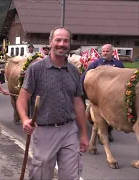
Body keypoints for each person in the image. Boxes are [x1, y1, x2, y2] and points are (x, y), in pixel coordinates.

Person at [16, 27, 89, 180]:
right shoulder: (36, 69)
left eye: (65, 41)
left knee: (71, 175)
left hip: (69, 130)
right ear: (50, 42)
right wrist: (24, 119)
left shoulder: (74, 72)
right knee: (41, 175)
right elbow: (22, 99)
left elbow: (78, 104)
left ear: (69, 44)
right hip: (44, 130)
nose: (62, 44)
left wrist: (83, 133)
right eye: (58, 40)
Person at [81, 44, 124, 142]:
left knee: (111, 116)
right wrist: (81, 89)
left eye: (107, 51)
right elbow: (85, 76)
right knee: (97, 116)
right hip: (98, 95)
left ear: (112, 52)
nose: (105, 53)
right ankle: (101, 133)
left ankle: (108, 132)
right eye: (103, 51)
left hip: (113, 96)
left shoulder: (119, 64)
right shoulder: (96, 63)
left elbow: (123, 80)